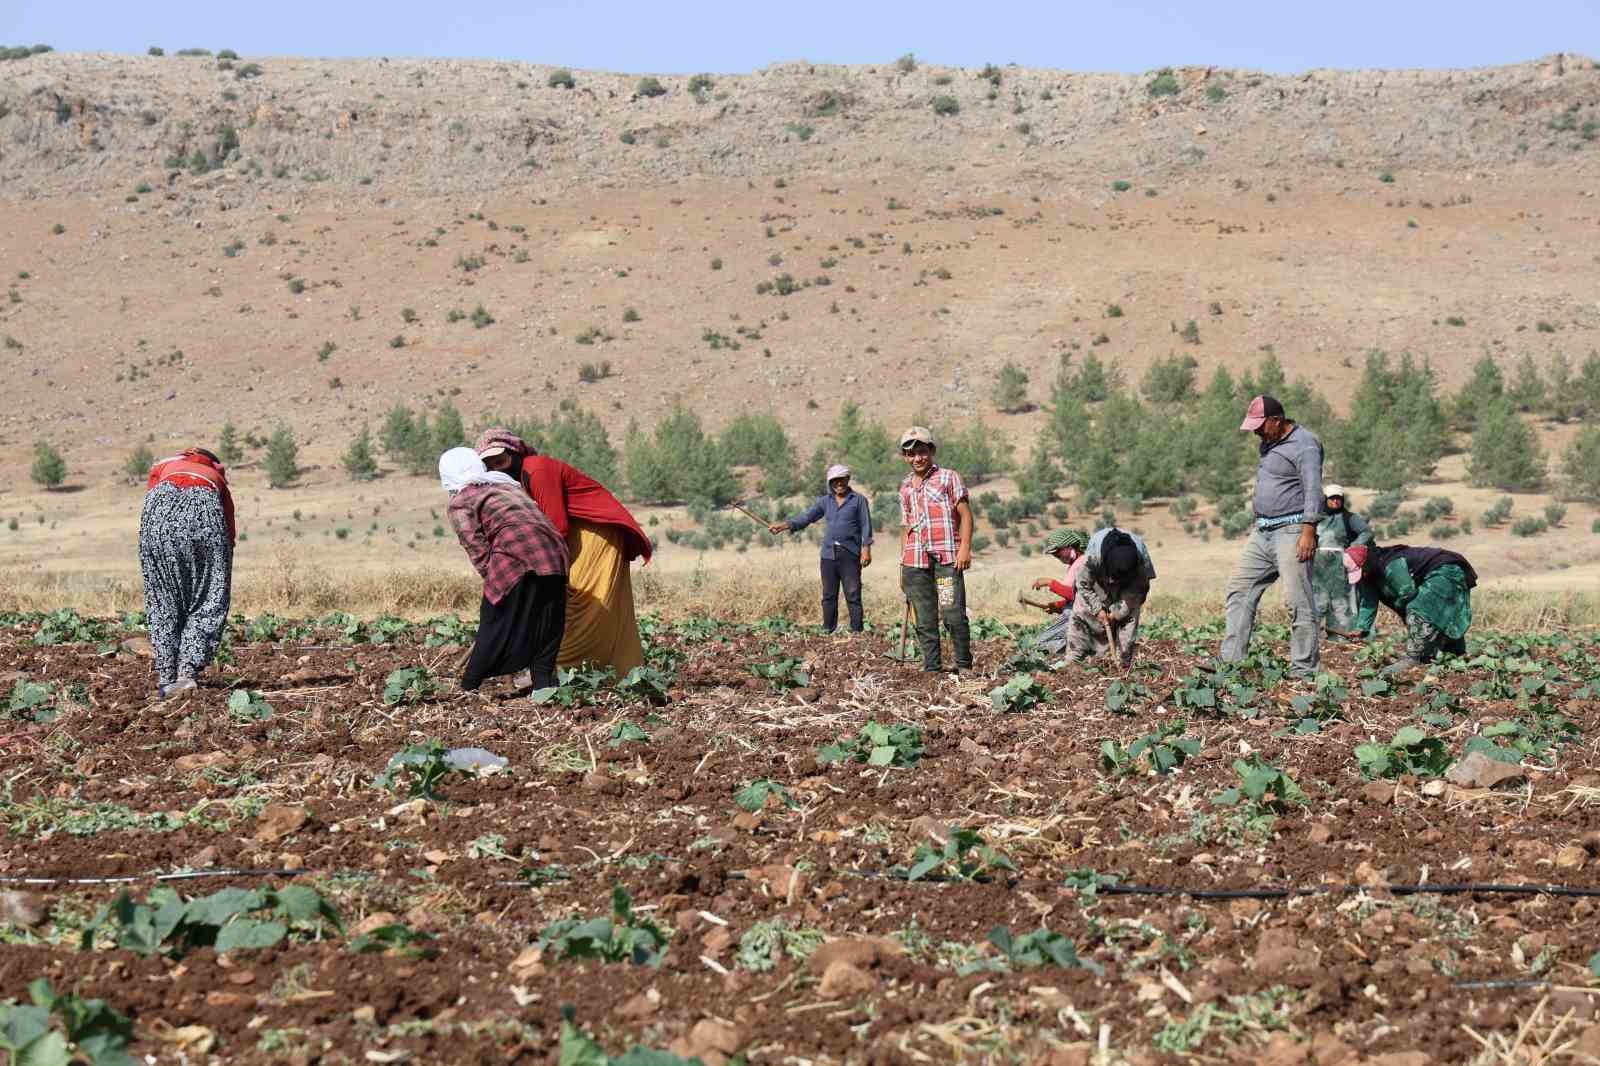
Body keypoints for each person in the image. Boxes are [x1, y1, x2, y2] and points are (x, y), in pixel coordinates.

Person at [475, 429, 650, 677]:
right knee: (573, 601)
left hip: (595, 533)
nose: (497, 466)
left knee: (580, 599)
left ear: (514, 452)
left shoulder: (537, 469)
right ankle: (589, 667)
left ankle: (566, 668)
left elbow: (556, 524)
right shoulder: (519, 480)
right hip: (576, 533)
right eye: (489, 464)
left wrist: (541, 570)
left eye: (500, 458)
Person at [441, 448, 570, 692]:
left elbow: (475, 545)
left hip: (517, 554)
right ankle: (544, 686)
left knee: (494, 621)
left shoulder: (461, 501)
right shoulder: (507, 486)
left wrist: (493, 581)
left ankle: (468, 687)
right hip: (555, 555)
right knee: (547, 622)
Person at [1220, 394, 1325, 679]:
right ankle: (1230, 663)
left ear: (1276, 421)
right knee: (1239, 589)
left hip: (1293, 531)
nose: (1256, 431)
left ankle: (1304, 670)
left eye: (1260, 425)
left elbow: (1314, 489)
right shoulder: (1269, 442)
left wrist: (1308, 530)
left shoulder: (1305, 445)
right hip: (1264, 531)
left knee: (1297, 600)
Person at [139, 447, 236, 699]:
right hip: (204, 512)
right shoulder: (214, 476)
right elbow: (228, 527)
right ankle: (186, 672)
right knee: (208, 598)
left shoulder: (163, 467)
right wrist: (220, 570)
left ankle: (166, 677)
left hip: (157, 518)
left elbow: (149, 501)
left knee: (163, 598)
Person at [897, 426, 973, 673]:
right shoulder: (906, 486)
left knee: (952, 612)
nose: (916, 458)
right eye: (910, 454)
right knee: (925, 617)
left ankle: (963, 665)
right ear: (904, 457)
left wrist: (965, 549)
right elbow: (905, 525)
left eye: (921, 451)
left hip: (947, 560)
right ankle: (932, 668)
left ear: (931, 450)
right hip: (915, 561)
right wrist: (903, 563)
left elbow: (965, 515)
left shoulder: (948, 477)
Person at [768, 463, 873, 633]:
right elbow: (807, 517)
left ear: (848, 479)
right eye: (834, 481)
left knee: (853, 593)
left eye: (841, 480)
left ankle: (857, 631)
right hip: (828, 554)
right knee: (828, 595)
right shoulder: (825, 501)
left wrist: (866, 548)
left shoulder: (859, 500)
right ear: (830, 483)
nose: (839, 484)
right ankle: (828, 629)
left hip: (850, 553)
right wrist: (783, 525)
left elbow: (866, 525)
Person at [1342, 544, 1477, 666]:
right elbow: (1368, 602)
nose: (1363, 574)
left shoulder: (1391, 564)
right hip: (1433, 574)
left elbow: (1408, 593)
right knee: (1418, 611)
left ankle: (1415, 657)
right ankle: (1453, 652)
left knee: (1419, 608)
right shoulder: (1368, 573)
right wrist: (1362, 628)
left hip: (1447, 570)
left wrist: (1408, 614)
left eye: (1362, 570)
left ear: (1366, 562)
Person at [1066, 527, 1156, 667]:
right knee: (1082, 610)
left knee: (1130, 615)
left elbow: (1139, 591)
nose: (1113, 583)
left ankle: (1123, 663)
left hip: (1130, 586)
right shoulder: (1094, 556)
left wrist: (1116, 614)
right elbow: (1083, 584)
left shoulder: (1140, 561)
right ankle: (1073, 659)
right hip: (1098, 580)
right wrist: (1097, 609)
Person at [1313, 483, 1373, 640]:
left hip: (1341, 565)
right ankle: (1313, 636)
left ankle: (1340, 637)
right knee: (1317, 600)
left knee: (1341, 602)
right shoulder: (1315, 518)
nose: (1335, 502)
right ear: (1325, 499)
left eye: (1338, 498)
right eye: (1332, 498)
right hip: (1318, 566)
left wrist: (1353, 548)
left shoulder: (1349, 518)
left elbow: (1366, 532)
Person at [1024, 528, 1089, 655]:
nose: (1056, 556)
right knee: (1039, 644)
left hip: (1079, 618)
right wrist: (1058, 606)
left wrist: (1050, 583)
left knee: (1040, 647)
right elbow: (1075, 598)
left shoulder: (1083, 563)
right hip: (1073, 615)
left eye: (1057, 552)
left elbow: (1077, 595)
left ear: (1070, 547)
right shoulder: (1075, 564)